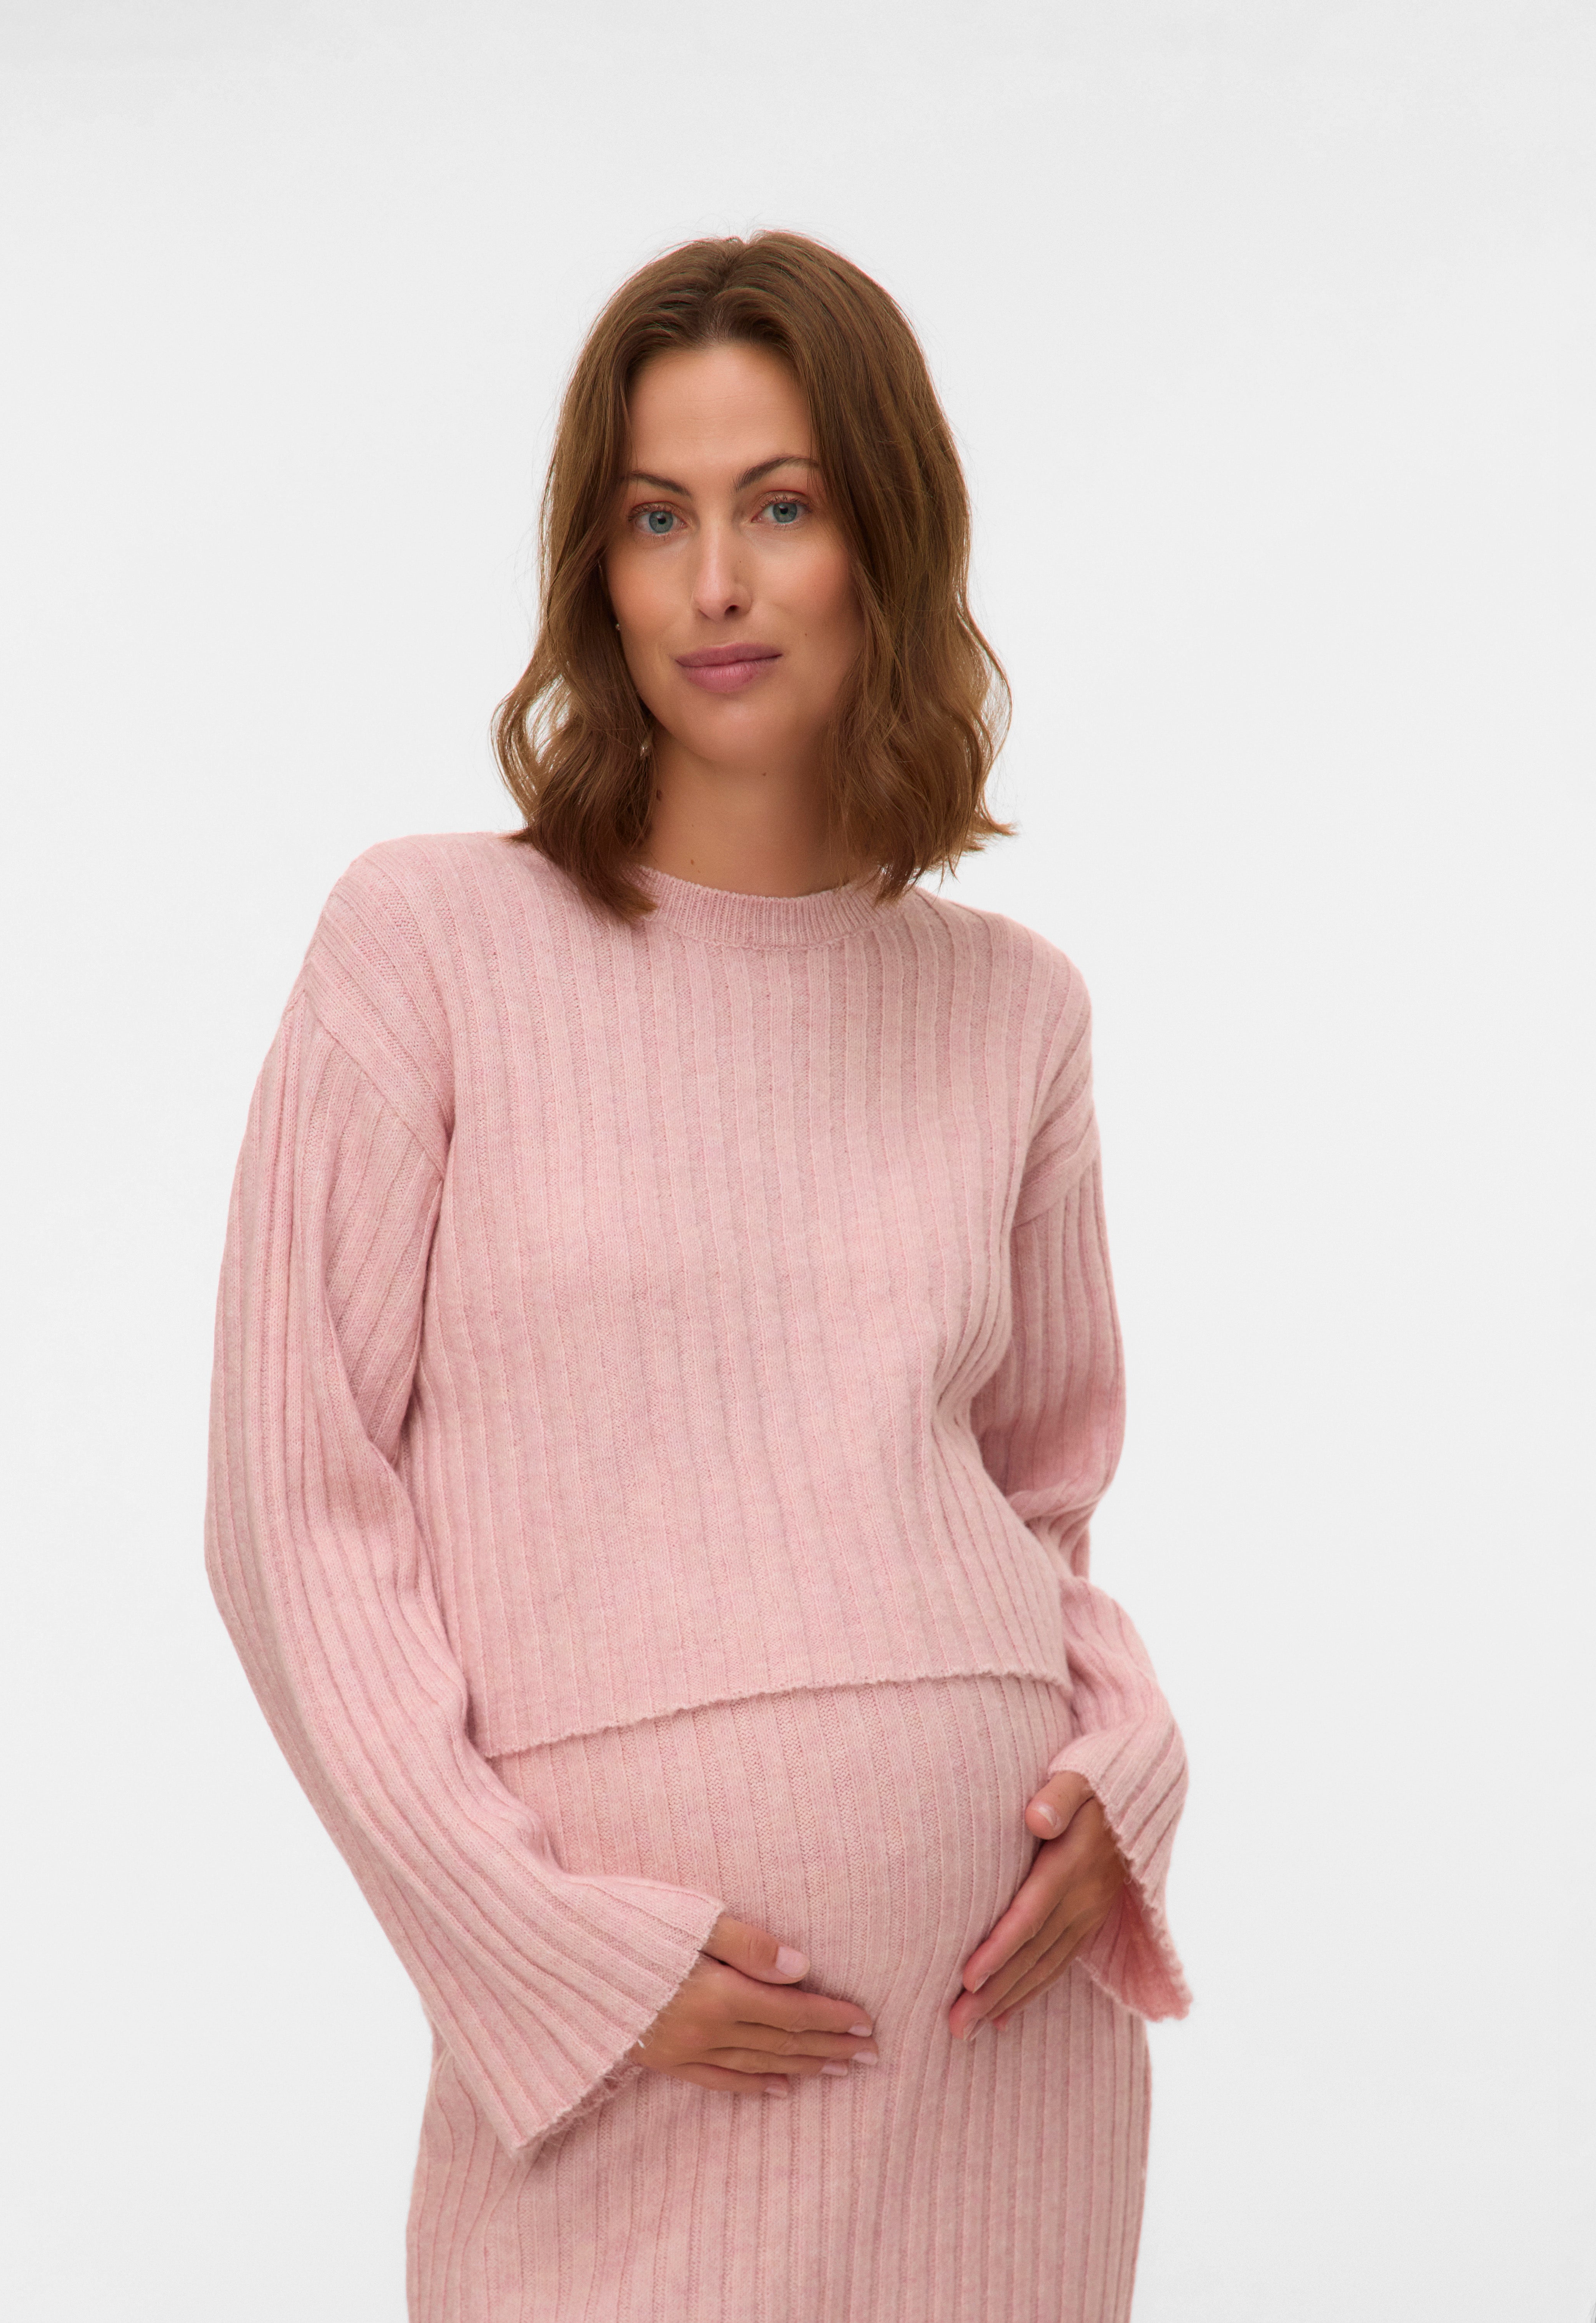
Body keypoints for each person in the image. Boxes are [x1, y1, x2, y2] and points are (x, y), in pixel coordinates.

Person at [206, 229, 1192, 2323]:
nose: (714, 583)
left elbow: (1042, 1502)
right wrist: (547, 1950)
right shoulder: (425, 948)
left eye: (781, 506)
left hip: (998, 2052)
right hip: (627, 2061)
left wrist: (1124, 1771)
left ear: (887, 542)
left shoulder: (1012, 1006)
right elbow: (290, 1514)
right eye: (656, 518)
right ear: (597, 566)